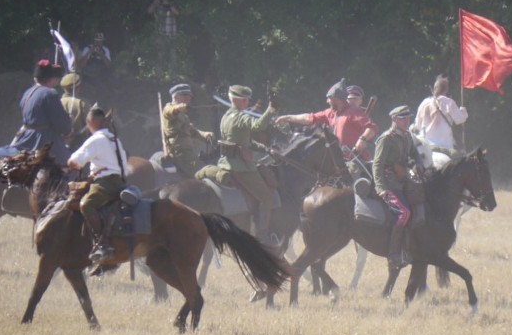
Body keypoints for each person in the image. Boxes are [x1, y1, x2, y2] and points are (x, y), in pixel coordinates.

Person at [214, 85, 280, 245]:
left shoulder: (226, 116)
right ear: (239, 100)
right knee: (266, 198)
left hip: (225, 163)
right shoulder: (240, 117)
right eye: (246, 99)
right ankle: (262, 236)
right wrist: (271, 110)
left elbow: (243, 141)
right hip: (241, 167)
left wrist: (264, 148)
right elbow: (258, 126)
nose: (248, 102)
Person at [275, 79, 378, 179]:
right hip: (338, 161)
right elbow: (309, 118)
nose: (327, 101)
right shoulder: (330, 113)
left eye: (329, 98)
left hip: (356, 160)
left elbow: (372, 128)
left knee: (355, 183)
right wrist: (287, 117)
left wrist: (362, 139)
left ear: (337, 98)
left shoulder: (353, 112)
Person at [67, 106, 128, 264]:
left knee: (86, 204)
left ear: (89, 123)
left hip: (105, 182)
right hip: (120, 181)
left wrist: (71, 164)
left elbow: (75, 161)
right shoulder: (114, 139)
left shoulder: (96, 139)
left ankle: (102, 244)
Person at [373, 105, 426, 269]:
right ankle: (394, 254)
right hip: (390, 183)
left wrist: (418, 163)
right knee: (404, 213)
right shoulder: (386, 138)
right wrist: (381, 188)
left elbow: (414, 153)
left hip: (404, 180)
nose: (406, 121)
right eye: (403, 118)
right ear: (394, 119)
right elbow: (377, 165)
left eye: (408, 118)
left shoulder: (407, 136)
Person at [0, 60, 73, 165]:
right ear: (50, 78)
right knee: (70, 164)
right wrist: (68, 131)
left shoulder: (28, 92)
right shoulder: (50, 93)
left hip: (26, 135)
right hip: (43, 139)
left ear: (35, 78)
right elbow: (60, 122)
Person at [161, 83, 214, 177]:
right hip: (180, 154)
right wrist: (178, 107)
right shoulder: (168, 108)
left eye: (189, 96)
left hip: (188, 152)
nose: (188, 99)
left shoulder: (183, 116)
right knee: (205, 173)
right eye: (185, 96)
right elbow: (169, 111)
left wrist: (205, 134)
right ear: (175, 97)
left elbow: (192, 131)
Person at [412, 75, 468, 157]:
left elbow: (418, 125)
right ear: (446, 89)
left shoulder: (424, 103)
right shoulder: (449, 102)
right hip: (446, 146)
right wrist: (463, 111)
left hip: (426, 146)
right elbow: (459, 119)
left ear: (434, 88)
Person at [148, 0, 180, 74]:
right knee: (159, 55)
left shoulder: (173, 4)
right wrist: (155, 4)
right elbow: (149, 11)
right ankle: (158, 76)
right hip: (160, 34)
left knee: (173, 56)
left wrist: (169, 5)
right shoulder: (158, 5)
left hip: (172, 34)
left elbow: (177, 13)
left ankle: (174, 76)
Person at [60, 72, 90, 151]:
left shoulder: (58, 102)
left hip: (60, 144)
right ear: (77, 87)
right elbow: (91, 124)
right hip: (79, 144)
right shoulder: (82, 103)